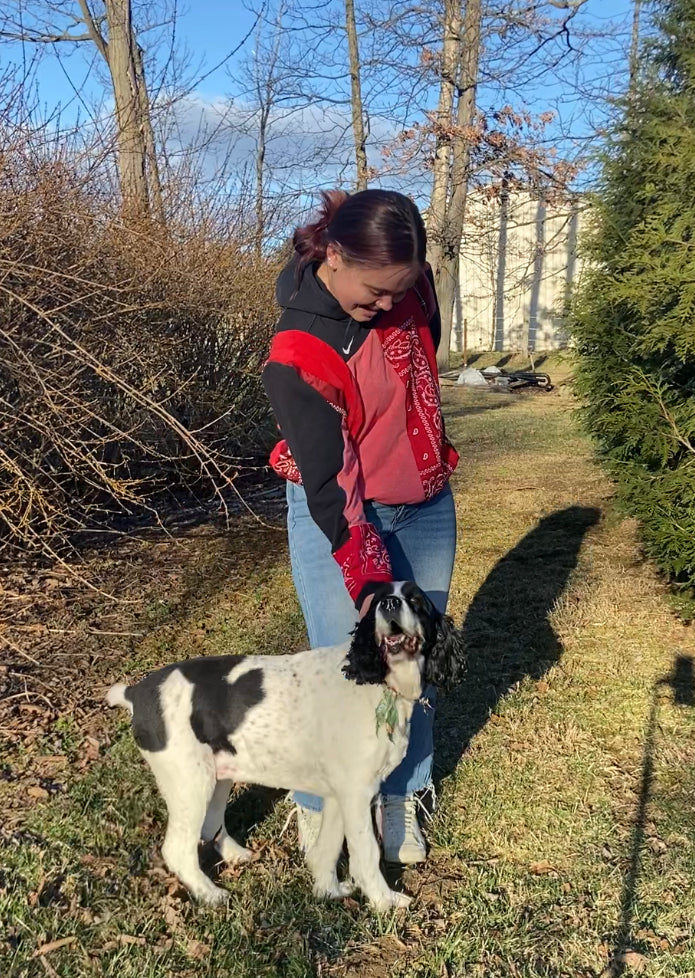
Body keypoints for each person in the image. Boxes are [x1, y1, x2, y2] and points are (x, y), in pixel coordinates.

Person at [261, 188, 459, 865]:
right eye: (375, 294)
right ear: (335, 256)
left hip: (427, 506)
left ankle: (401, 792)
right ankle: (320, 807)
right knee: (344, 668)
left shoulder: (414, 288)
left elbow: (423, 363)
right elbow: (331, 487)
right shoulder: (300, 347)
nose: (386, 307)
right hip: (343, 514)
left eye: (398, 293)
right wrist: (372, 583)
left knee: (413, 663)